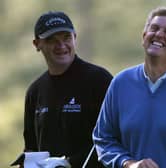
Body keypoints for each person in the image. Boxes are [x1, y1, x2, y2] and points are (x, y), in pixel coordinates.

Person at [11, 11, 113, 168]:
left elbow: (112, 140)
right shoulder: (35, 91)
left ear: (75, 37)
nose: (61, 46)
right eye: (52, 40)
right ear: (37, 44)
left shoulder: (99, 80)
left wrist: (68, 163)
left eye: (66, 38)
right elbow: (31, 146)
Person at [93, 6, 166, 168]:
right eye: (154, 28)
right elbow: (103, 138)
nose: (160, 34)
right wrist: (129, 164)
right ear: (144, 37)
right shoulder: (121, 83)